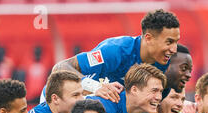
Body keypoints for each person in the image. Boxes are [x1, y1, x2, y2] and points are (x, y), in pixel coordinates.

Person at [45, 9, 180, 104]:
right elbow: (61, 67)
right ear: (149, 38)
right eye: (169, 42)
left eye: (176, 42)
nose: (174, 49)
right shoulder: (116, 50)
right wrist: (96, 87)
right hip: (59, 103)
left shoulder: (165, 63)